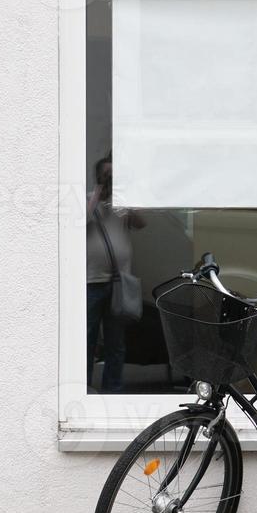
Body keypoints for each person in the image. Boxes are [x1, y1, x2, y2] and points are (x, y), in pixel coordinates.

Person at [87, 154, 144, 392]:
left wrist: (124, 195)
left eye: (113, 174)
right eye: (106, 174)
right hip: (91, 282)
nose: (110, 178)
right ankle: (84, 387)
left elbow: (141, 223)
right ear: (98, 175)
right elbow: (78, 222)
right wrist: (99, 190)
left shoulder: (121, 205)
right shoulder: (88, 200)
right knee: (87, 340)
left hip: (119, 283)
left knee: (116, 343)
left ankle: (113, 390)